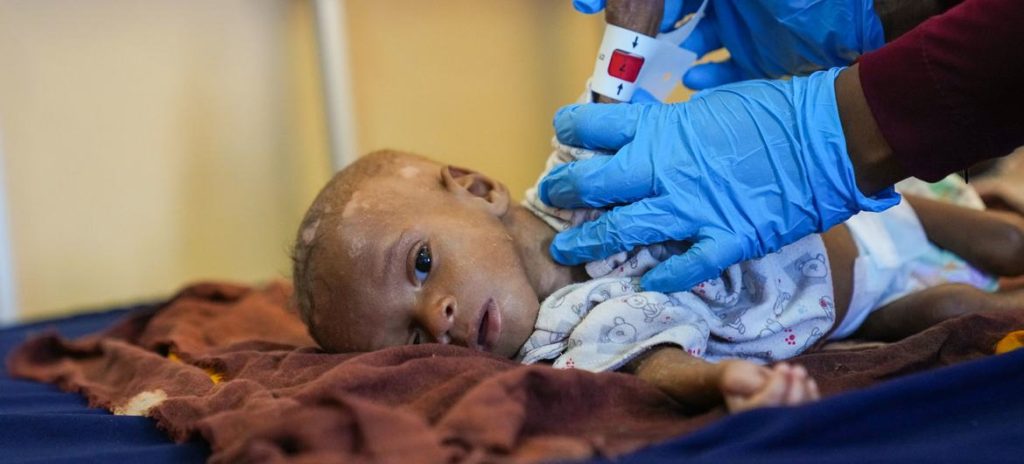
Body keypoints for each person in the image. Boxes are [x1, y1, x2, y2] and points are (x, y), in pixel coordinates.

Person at [289, 143, 1024, 412]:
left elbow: (630, 78)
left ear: (478, 190)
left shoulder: (586, 174)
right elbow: (657, 365)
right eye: (414, 335)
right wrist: (726, 382)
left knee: (1000, 237)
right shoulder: (559, 342)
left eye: (422, 264)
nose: (440, 315)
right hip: (862, 304)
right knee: (955, 310)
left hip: (853, 213)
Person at [542, 0, 1024, 293]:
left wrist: (832, 133)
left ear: (478, 187)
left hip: (883, 222)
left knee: (1005, 242)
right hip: (877, 278)